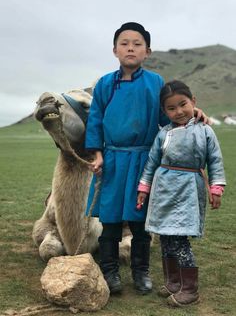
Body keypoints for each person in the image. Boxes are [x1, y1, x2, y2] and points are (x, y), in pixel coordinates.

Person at [85, 22, 208, 295]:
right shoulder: (105, 84)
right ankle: (110, 272)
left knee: (141, 221)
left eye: (137, 43)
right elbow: (94, 121)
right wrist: (97, 154)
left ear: (148, 51)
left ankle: (141, 273)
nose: (131, 47)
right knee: (111, 219)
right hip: (114, 160)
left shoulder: (155, 82)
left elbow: (171, 115)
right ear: (115, 50)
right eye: (125, 43)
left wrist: (193, 113)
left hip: (145, 160)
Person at [137, 80, 226, 306]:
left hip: (189, 188)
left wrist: (216, 188)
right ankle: (173, 282)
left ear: (193, 101)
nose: (178, 111)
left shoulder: (205, 131)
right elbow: (151, 162)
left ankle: (190, 290)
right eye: (171, 108)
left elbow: (215, 161)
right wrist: (144, 188)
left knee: (180, 238)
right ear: (164, 111)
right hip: (164, 188)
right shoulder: (163, 134)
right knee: (166, 237)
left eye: (183, 104)